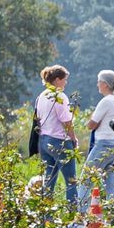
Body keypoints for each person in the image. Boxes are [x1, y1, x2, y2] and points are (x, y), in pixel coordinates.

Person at [34, 65, 80, 219]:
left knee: (49, 179)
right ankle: (72, 216)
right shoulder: (59, 96)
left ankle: (46, 216)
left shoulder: (42, 96)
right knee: (71, 180)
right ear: (57, 79)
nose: (66, 83)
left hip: (44, 140)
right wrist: (73, 139)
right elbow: (66, 121)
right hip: (60, 141)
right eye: (64, 79)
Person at [80, 69, 114, 219]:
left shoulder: (106, 101)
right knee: (110, 181)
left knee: (86, 179)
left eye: (99, 81)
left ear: (105, 84)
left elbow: (92, 124)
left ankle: (81, 216)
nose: (97, 84)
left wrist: (89, 123)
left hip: (103, 143)